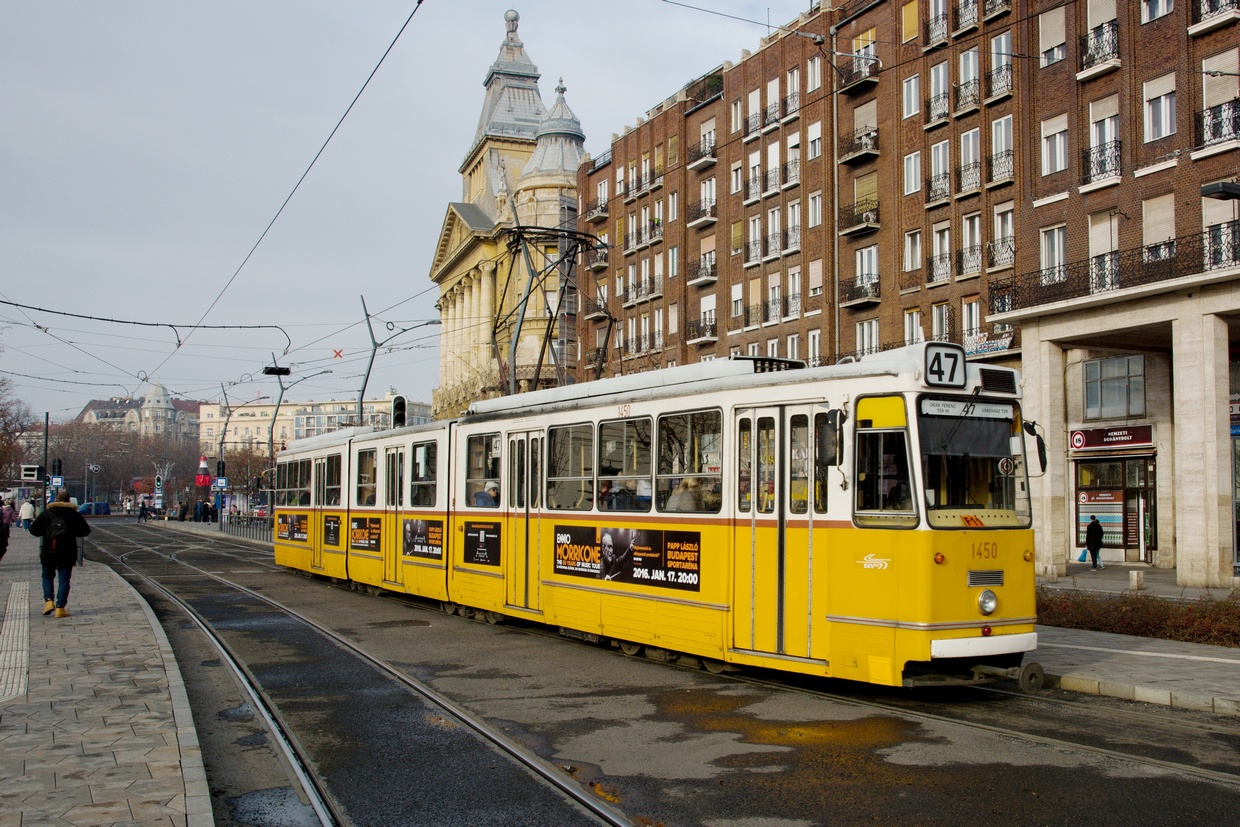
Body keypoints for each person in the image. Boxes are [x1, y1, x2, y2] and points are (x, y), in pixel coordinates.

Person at [29, 490, 91, 618]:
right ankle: (60, 608)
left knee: (47, 576)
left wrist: (46, 532)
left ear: (55, 500)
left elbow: (33, 530)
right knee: (64, 579)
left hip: (48, 551)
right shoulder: (73, 515)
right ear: (69, 501)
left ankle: (49, 601)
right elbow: (85, 531)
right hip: (67, 552)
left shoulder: (46, 514)